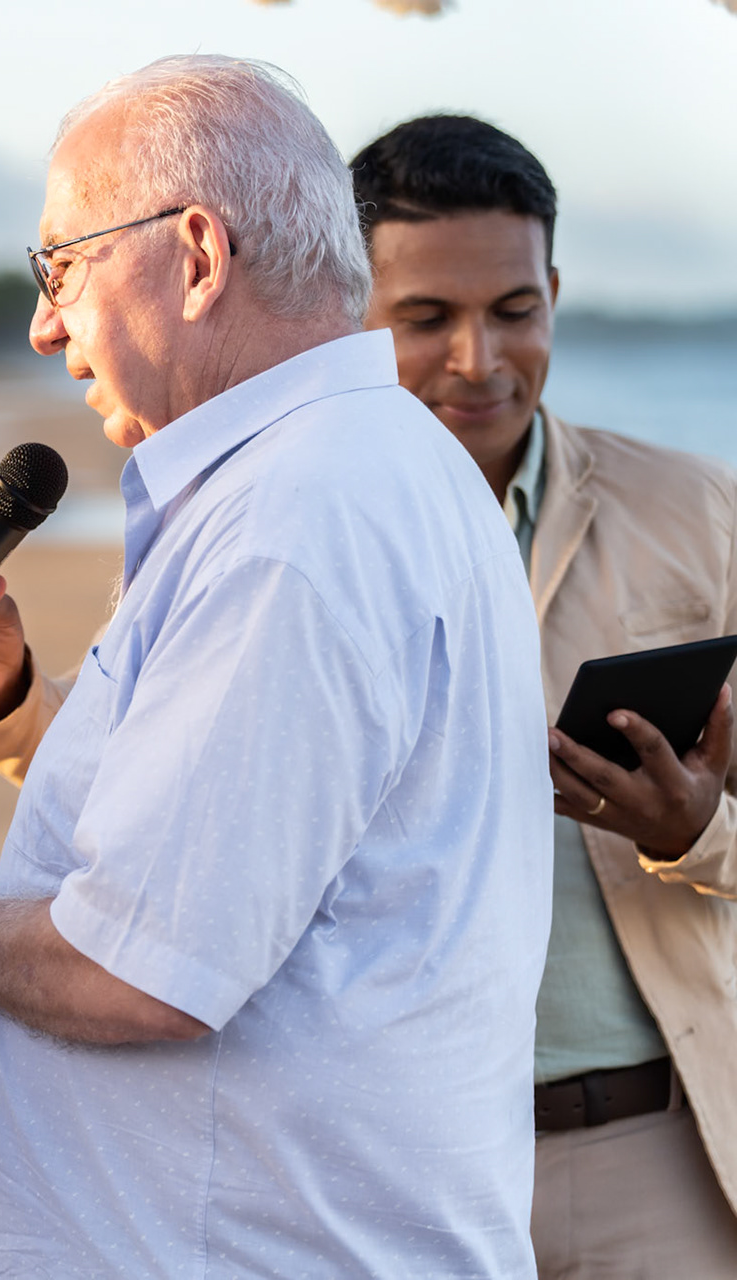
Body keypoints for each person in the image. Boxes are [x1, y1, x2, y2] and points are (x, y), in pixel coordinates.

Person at [0, 55, 551, 1276]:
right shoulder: (349, 469)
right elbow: (235, 883)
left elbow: (147, 972)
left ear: (195, 254)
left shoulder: (297, 516)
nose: (45, 324)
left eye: (62, 265)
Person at [352, 115, 737, 1279]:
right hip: (385, 1168)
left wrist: (698, 832)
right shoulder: (270, 536)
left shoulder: (700, 512)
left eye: (515, 309)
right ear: (345, 316)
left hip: (659, 1157)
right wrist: (5, 693)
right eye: (426, 318)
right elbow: (151, 792)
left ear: (555, 291)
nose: (479, 358)